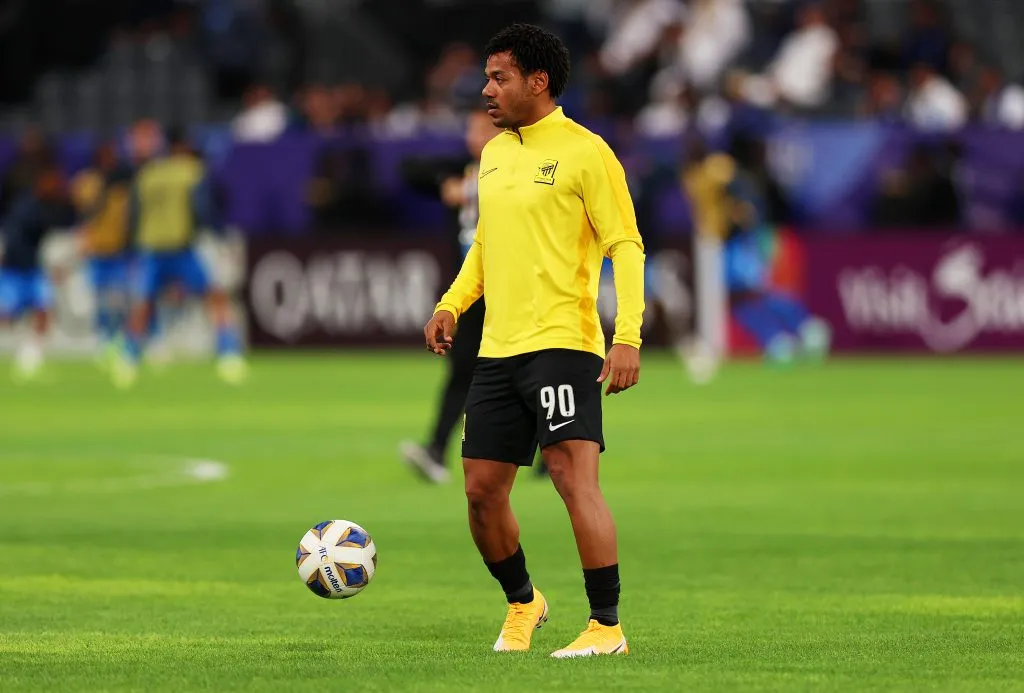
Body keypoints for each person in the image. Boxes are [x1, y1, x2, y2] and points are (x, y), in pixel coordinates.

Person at [423, 24, 645, 658]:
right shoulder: (493, 154)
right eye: (488, 78)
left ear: (537, 81)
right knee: (480, 493)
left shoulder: (586, 152)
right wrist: (451, 302)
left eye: (499, 78)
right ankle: (524, 603)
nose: (487, 90)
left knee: (576, 481)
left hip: (563, 344)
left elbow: (624, 246)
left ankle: (606, 626)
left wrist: (625, 334)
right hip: (496, 351)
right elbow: (487, 247)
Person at [400, 106, 500, 483]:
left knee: (504, 367)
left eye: (480, 129)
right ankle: (436, 449)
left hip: (507, 286)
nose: (472, 137)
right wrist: (447, 181)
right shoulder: (463, 169)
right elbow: (409, 170)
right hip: (473, 287)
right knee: (465, 368)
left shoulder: (513, 169)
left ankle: (438, 449)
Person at [112, 127, 246, 388]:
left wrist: (129, 248)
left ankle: (128, 360)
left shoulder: (146, 175)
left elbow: (133, 216)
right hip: (182, 246)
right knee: (215, 297)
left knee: (143, 305)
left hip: (150, 247)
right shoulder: (191, 171)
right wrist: (218, 235)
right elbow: (202, 208)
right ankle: (228, 355)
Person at [0, 167, 74, 380]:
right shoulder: (29, 208)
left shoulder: (41, 207)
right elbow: (17, 240)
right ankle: (29, 354)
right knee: (7, 314)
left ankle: (32, 354)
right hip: (17, 269)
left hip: (30, 269)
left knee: (44, 309)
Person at [70, 141, 134, 365]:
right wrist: (83, 241)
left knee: (119, 299)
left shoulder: (122, 188)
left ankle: (120, 339)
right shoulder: (87, 182)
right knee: (99, 299)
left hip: (117, 252)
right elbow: (81, 215)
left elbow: (127, 220)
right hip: (96, 251)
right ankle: (103, 340)